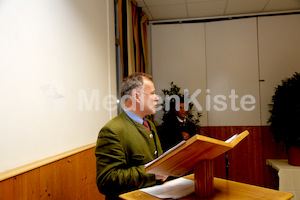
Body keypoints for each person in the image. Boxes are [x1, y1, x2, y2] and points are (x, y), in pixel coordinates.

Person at [95, 72, 168, 200]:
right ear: (137, 96)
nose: (157, 98)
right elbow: (106, 181)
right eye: (152, 93)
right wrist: (151, 173)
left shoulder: (149, 124)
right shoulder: (112, 131)